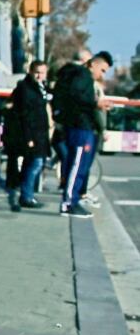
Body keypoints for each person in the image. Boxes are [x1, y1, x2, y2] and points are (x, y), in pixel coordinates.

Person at [53, 50, 113, 218]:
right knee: (77, 164)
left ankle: (74, 200)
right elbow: (76, 96)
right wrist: (96, 102)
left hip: (81, 125)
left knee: (80, 165)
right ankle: (68, 202)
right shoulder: (82, 76)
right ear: (93, 63)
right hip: (80, 126)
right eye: (102, 70)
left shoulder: (80, 76)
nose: (101, 75)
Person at [7, 60, 50, 210]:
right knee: (35, 164)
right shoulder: (25, 89)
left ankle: (27, 194)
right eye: (37, 72)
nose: (39, 76)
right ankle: (26, 196)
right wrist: (29, 137)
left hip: (39, 133)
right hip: (32, 134)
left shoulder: (41, 87)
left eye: (42, 72)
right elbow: (24, 115)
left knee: (32, 164)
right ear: (30, 71)